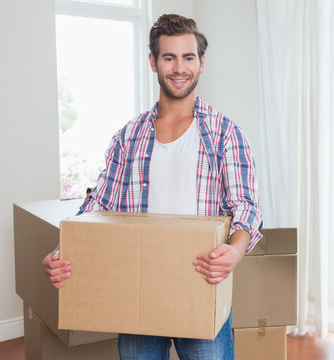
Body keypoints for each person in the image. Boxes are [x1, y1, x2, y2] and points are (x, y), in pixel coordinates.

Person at [41, 14, 262, 360]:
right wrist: (61, 249)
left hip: (201, 285)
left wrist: (233, 252)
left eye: (188, 57)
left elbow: (246, 208)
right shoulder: (128, 136)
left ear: (201, 63)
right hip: (138, 289)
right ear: (153, 62)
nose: (179, 68)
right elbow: (98, 203)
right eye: (168, 57)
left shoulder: (225, 134)